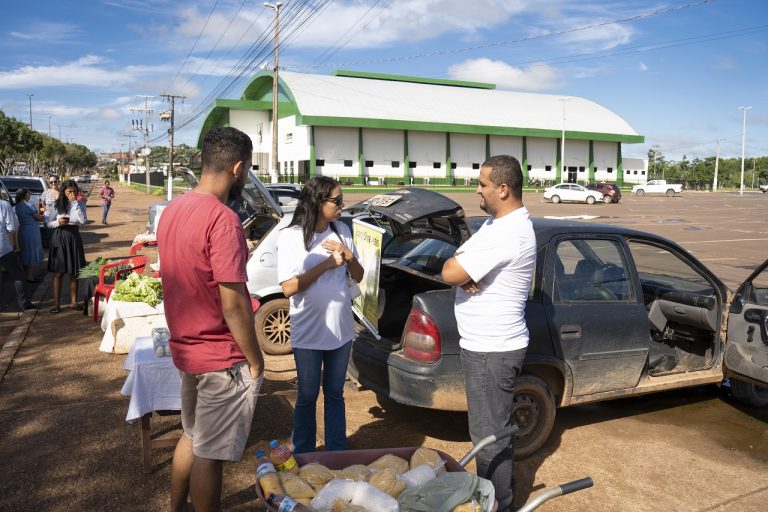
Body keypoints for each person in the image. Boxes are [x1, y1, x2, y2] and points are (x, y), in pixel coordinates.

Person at [157, 127, 265, 512]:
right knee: (211, 455)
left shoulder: (173, 210)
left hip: (186, 350)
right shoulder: (223, 220)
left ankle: (176, 508)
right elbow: (233, 303)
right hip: (220, 358)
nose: (247, 176)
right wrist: (255, 359)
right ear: (238, 167)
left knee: (192, 436)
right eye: (249, 169)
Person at [441, 155, 536, 512]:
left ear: (503, 188)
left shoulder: (508, 232)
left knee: (489, 438)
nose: (477, 190)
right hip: (486, 347)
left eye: (481, 184)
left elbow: (450, 270)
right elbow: (460, 260)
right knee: (491, 432)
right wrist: (465, 270)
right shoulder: (497, 225)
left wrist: (462, 272)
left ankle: (497, 506)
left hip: (491, 350)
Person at [277, 176, 364, 454]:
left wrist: (349, 256)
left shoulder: (341, 231)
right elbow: (289, 288)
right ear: (317, 201)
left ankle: (336, 452)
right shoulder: (291, 237)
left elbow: (359, 276)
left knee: (335, 395)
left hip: (341, 332)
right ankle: (302, 452)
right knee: (306, 395)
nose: (342, 205)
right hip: (309, 333)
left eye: (342, 200)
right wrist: (327, 264)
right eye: (336, 200)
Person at [46, 179, 87, 313]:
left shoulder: (80, 204)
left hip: (74, 237)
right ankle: (56, 305)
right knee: (58, 273)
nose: (72, 194)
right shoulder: (56, 205)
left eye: (75, 191)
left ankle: (73, 302)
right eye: (70, 191)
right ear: (64, 191)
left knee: (74, 272)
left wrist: (75, 203)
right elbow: (48, 223)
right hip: (60, 236)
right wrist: (58, 223)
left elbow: (82, 220)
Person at [1, 197, 35, 311]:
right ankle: (24, 303)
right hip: (3, 248)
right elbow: (11, 227)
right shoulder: (4, 205)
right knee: (18, 275)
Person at [14, 188, 44, 282]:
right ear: (25, 195)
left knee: (25, 252)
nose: (30, 194)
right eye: (29, 193)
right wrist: (43, 215)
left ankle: (27, 274)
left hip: (23, 230)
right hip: (32, 231)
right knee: (31, 252)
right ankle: (30, 276)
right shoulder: (29, 205)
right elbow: (39, 218)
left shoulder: (17, 206)